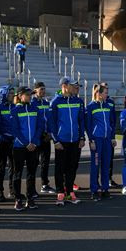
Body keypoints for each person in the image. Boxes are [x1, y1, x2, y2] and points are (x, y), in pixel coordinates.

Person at [48, 77, 85, 206]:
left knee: (72, 167)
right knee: (60, 167)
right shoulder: (55, 102)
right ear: (64, 86)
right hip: (61, 141)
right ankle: (60, 192)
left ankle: (69, 192)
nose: (75, 87)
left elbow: (81, 121)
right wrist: (55, 140)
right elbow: (51, 124)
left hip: (75, 140)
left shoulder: (78, 101)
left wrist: (82, 137)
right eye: (72, 85)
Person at [10, 86, 45, 211]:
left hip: (34, 146)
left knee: (31, 174)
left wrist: (34, 142)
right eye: (27, 94)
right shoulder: (15, 110)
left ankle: (30, 198)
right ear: (20, 96)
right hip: (19, 147)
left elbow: (40, 126)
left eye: (31, 94)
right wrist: (26, 143)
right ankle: (18, 199)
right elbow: (15, 130)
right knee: (17, 173)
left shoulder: (35, 109)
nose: (30, 96)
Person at [86, 82, 116, 201]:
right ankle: (94, 190)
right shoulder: (91, 106)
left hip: (107, 139)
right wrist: (91, 140)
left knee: (106, 164)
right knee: (95, 165)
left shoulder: (108, 105)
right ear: (98, 93)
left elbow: (112, 123)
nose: (106, 95)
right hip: (97, 140)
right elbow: (88, 125)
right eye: (105, 93)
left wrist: (112, 137)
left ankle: (105, 189)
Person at [32, 81, 56, 195]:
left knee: (45, 162)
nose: (43, 91)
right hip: (37, 137)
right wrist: (39, 134)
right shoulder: (32, 103)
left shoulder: (46, 103)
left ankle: (45, 184)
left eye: (44, 89)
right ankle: (31, 188)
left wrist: (50, 133)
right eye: (41, 89)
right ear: (35, 90)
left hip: (46, 137)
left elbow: (50, 120)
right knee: (34, 162)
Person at [0, 85, 17, 202]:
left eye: (13, 93)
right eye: (10, 93)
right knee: (1, 167)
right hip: (3, 140)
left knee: (13, 167)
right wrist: (5, 133)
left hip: (13, 141)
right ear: (4, 94)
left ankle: (12, 191)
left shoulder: (15, 107)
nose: (12, 95)